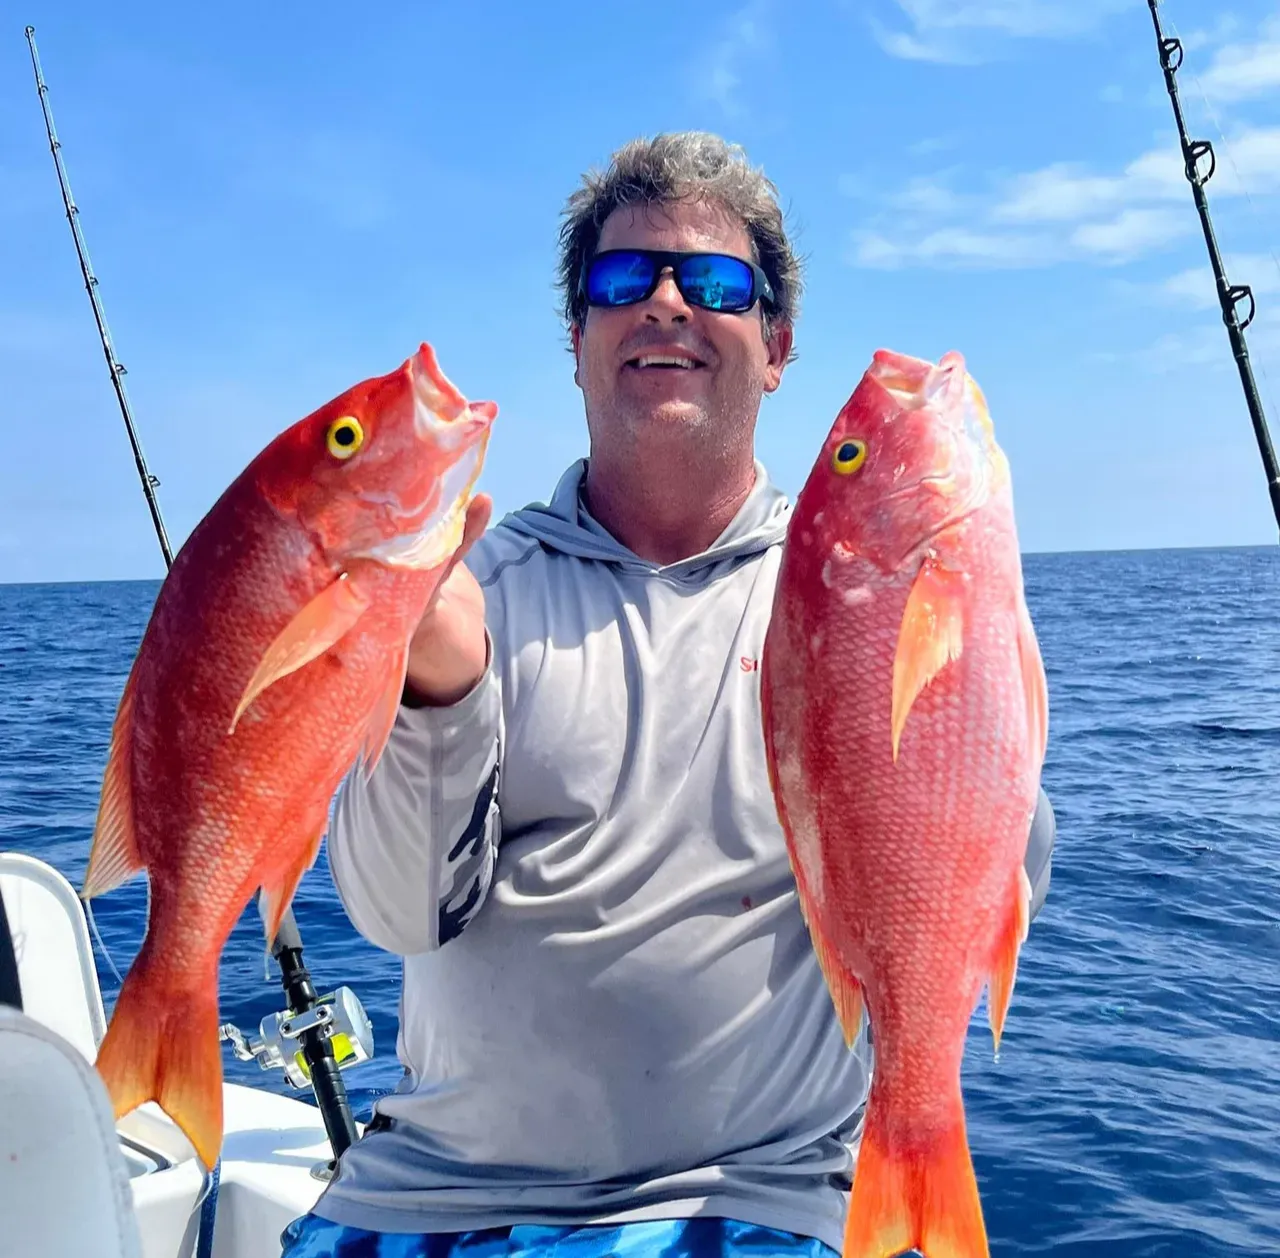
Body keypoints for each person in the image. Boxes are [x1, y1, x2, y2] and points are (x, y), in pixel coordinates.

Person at [280, 131, 1057, 1258]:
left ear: (775, 343)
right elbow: (397, 916)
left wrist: (978, 647)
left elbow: (979, 857)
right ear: (578, 342)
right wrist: (438, 688)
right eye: (618, 281)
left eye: (713, 283)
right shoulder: (463, 587)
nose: (662, 303)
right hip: (443, 1199)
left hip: (757, 1199)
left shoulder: (844, 588)